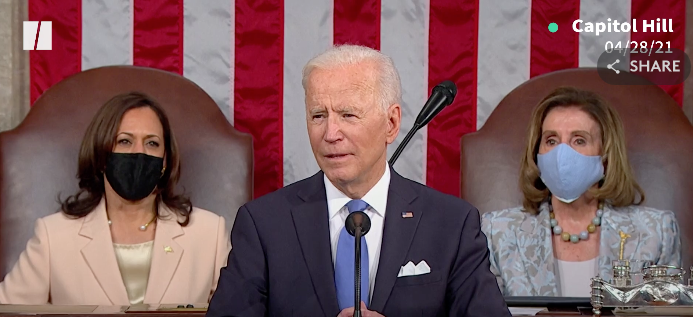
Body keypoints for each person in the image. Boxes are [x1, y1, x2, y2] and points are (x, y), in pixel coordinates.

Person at [207, 45, 510, 317]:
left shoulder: (451, 224)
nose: (330, 134)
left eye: (348, 115)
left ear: (391, 124)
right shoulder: (264, 224)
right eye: (318, 116)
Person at [0, 92, 230, 305]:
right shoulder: (53, 236)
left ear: (165, 162)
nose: (138, 153)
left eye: (152, 143)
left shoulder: (209, 234)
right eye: (124, 141)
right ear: (101, 156)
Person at [481, 87, 681, 297]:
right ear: (536, 151)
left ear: (604, 153)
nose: (562, 154)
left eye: (579, 140)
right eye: (551, 140)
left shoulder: (657, 234)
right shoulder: (498, 233)